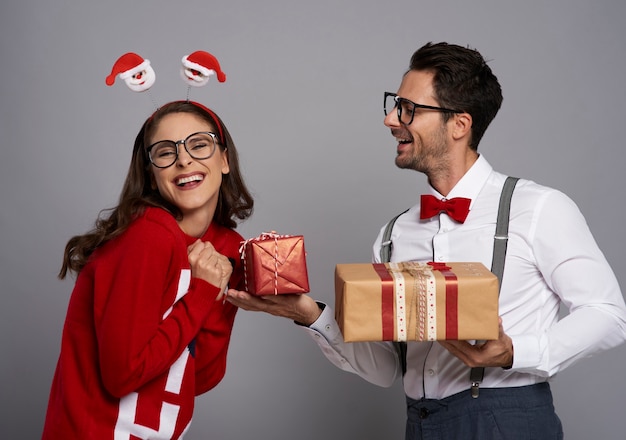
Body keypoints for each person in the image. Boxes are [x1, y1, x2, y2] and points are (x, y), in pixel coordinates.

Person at [226, 42, 626, 439]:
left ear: (459, 125)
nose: (390, 119)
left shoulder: (537, 208)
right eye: (395, 105)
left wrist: (514, 352)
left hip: (506, 419)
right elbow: (385, 367)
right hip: (420, 424)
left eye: (408, 109)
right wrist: (308, 312)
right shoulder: (393, 235)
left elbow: (609, 314)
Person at [43, 100, 254, 439]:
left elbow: (200, 378)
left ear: (224, 159)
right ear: (153, 177)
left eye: (199, 144)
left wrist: (218, 296)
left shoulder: (224, 246)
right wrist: (200, 294)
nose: (184, 159)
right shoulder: (147, 235)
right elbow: (122, 375)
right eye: (166, 152)